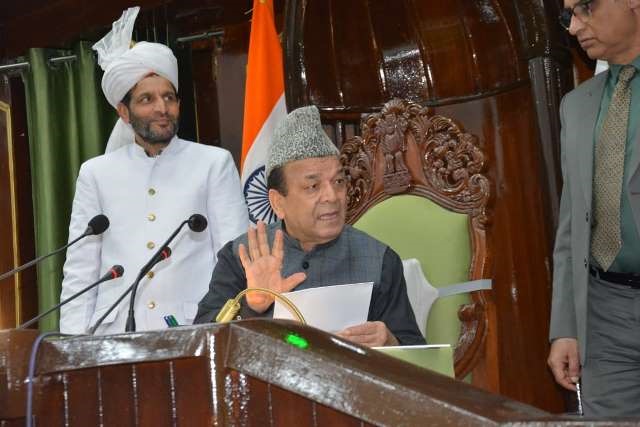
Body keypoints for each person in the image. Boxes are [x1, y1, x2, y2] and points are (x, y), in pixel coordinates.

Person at [59, 7, 249, 335]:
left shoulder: (213, 164)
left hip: (193, 331)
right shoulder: (96, 174)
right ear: (124, 112)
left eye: (169, 97)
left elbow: (234, 257)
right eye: (147, 99)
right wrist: (72, 347)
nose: (162, 108)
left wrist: (223, 330)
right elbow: (81, 270)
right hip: (114, 335)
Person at [194, 105, 425, 347]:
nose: (332, 196)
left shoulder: (380, 260)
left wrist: (390, 342)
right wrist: (251, 306)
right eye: (313, 186)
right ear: (278, 202)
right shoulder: (241, 258)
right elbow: (202, 341)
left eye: (338, 181)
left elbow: (417, 352)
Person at [548, 0, 640, 417]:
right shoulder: (578, 106)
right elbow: (572, 225)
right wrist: (566, 327)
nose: (574, 26)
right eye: (568, 14)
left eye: (586, 7)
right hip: (606, 313)